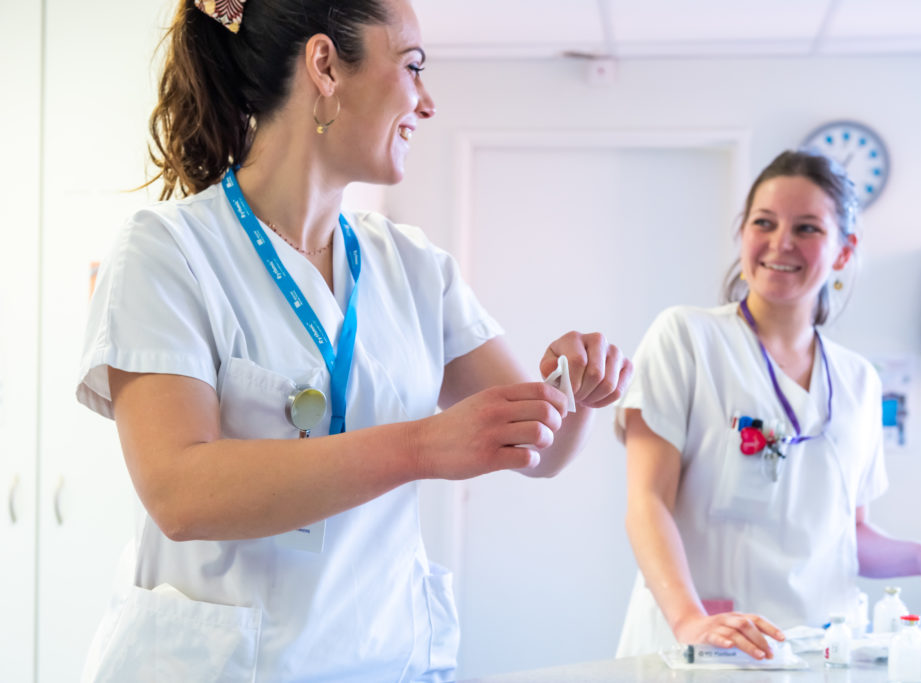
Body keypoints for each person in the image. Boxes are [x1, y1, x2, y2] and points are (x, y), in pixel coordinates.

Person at [75, 0, 633, 680]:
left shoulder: (415, 268)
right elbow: (179, 492)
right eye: (413, 66)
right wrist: (423, 445)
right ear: (325, 65)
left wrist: (573, 385)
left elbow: (533, 449)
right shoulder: (169, 251)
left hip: (382, 656)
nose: (427, 102)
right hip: (226, 665)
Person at [615, 150, 921, 661]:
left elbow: (846, 535)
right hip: (703, 644)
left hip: (818, 651)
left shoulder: (857, 380)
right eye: (763, 222)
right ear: (743, 232)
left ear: (843, 251)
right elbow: (646, 502)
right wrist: (690, 619)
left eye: (807, 228)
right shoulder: (687, 338)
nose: (781, 242)